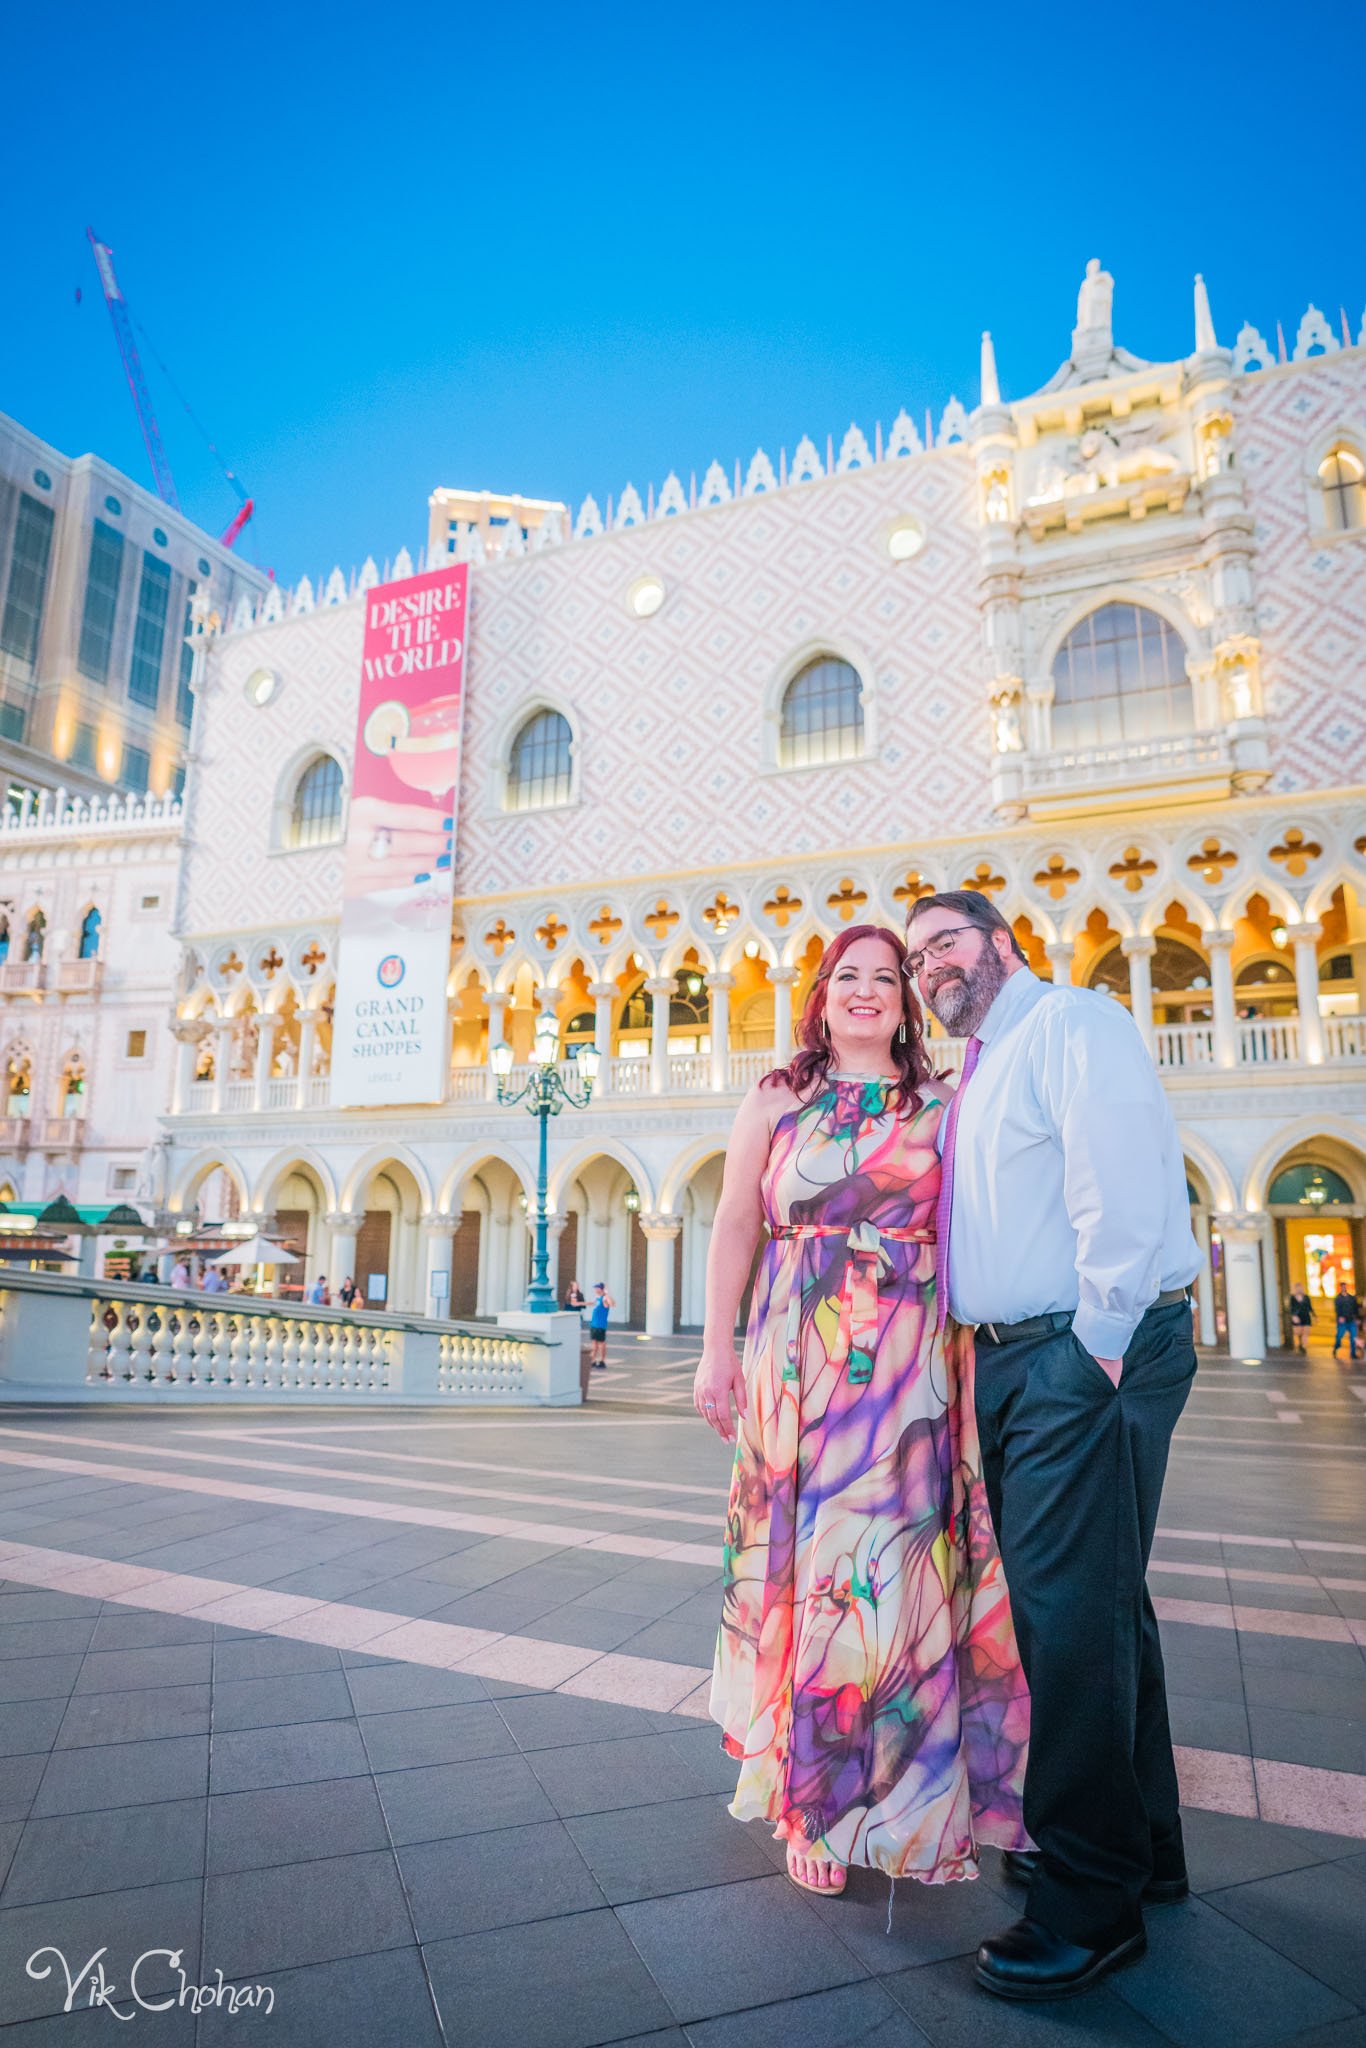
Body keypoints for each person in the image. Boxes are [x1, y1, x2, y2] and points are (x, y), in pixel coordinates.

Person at [905, 889, 1199, 2002]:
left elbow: (1116, 1191)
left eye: (947, 942)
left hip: (1077, 1353)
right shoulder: (983, 1061)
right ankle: (1145, 1847)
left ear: (1002, 943)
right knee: (1104, 1600)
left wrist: (1096, 1350)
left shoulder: (1069, 1022)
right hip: (1024, 1357)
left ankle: (1090, 1901)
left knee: (1067, 1618)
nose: (932, 964)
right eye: (919, 950)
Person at [694, 924, 1028, 1898]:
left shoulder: (940, 1104)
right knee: (811, 1575)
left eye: (887, 977)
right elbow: (733, 1224)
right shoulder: (774, 1098)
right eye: (850, 975)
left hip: (907, 1382)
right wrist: (717, 1349)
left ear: (908, 999)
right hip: (798, 1371)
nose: (868, 990)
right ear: (822, 992)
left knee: (898, 1576)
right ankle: (814, 1801)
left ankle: (903, 1793)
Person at [587, 1282, 613, 1369]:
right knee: (594, 1343)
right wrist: (579, 1303)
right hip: (594, 1324)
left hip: (600, 1325)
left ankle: (602, 1360)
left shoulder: (604, 1298)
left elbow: (612, 1304)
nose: (595, 1290)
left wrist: (606, 1294)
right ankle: (593, 1360)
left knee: (601, 1343)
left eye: (596, 1288)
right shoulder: (597, 1298)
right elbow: (591, 1303)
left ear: (600, 1289)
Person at [1333, 1283, 1360, 1361]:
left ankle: (1353, 1353)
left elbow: (1355, 1308)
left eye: (1345, 1286)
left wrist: (1356, 1318)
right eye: (1342, 1287)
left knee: (1353, 1337)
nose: (1344, 1288)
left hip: (1351, 1320)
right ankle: (1336, 1346)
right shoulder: (1337, 1298)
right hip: (1342, 1321)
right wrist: (1340, 1317)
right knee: (1339, 1336)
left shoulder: (1352, 1298)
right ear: (1340, 1288)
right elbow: (1337, 1309)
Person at [1287, 1283, 1313, 1353]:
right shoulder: (1292, 1298)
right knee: (1298, 1333)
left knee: (1305, 1332)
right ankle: (1300, 1344)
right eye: (1298, 1288)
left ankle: (1303, 1346)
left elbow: (1310, 1307)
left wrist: (1314, 1315)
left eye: (1300, 1288)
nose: (1299, 1289)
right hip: (1297, 1317)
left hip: (1306, 1317)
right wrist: (1293, 1316)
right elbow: (1290, 1308)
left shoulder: (1306, 1297)